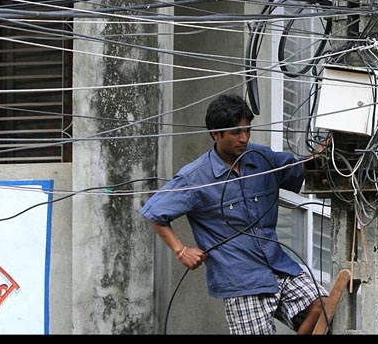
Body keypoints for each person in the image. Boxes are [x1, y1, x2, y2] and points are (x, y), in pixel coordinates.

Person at [139, 93, 326, 335]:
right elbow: (155, 212)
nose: (244, 138)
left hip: (278, 266)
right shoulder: (195, 177)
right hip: (240, 280)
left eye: (247, 130)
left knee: (323, 306)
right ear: (216, 134)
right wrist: (181, 250)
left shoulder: (261, 158)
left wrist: (326, 150)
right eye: (236, 133)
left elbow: (301, 170)